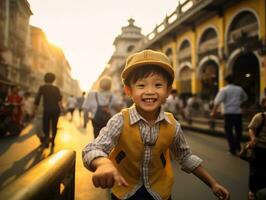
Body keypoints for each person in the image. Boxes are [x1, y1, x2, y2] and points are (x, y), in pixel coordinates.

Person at [82, 49, 230, 200]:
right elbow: (93, 148)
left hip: (160, 193)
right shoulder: (119, 120)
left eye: (158, 85)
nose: (150, 91)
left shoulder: (173, 125)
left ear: (168, 91)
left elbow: (185, 157)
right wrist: (103, 164)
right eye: (141, 85)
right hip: (124, 192)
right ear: (128, 90)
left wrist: (213, 183)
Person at [210, 74, 248, 155]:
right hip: (238, 113)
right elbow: (245, 98)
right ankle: (237, 146)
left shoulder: (224, 90)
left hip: (228, 113)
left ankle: (232, 149)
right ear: (234, 80)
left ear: (226, 81)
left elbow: (217, 102)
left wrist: (213, 111)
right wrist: (243, 108)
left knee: (229, 131)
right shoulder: (239, 89)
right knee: (238, 131)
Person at [33, 72, 63, 148]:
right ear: (53, 80)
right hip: (56, 110)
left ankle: (46, 139)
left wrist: (34, 110)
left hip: (47, 110)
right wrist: (62, 109)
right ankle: (53, 140)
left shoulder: (42, 88)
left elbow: (37, 99)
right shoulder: (56, 88)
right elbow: (59, 100)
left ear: (44, 79)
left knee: (46, 125)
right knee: (54, 126)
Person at [246, 99, 266, 200]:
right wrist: (253, 138)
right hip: (259, 148)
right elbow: (251, 128)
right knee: (255, 171)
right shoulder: (260, 117)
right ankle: (252, 191)